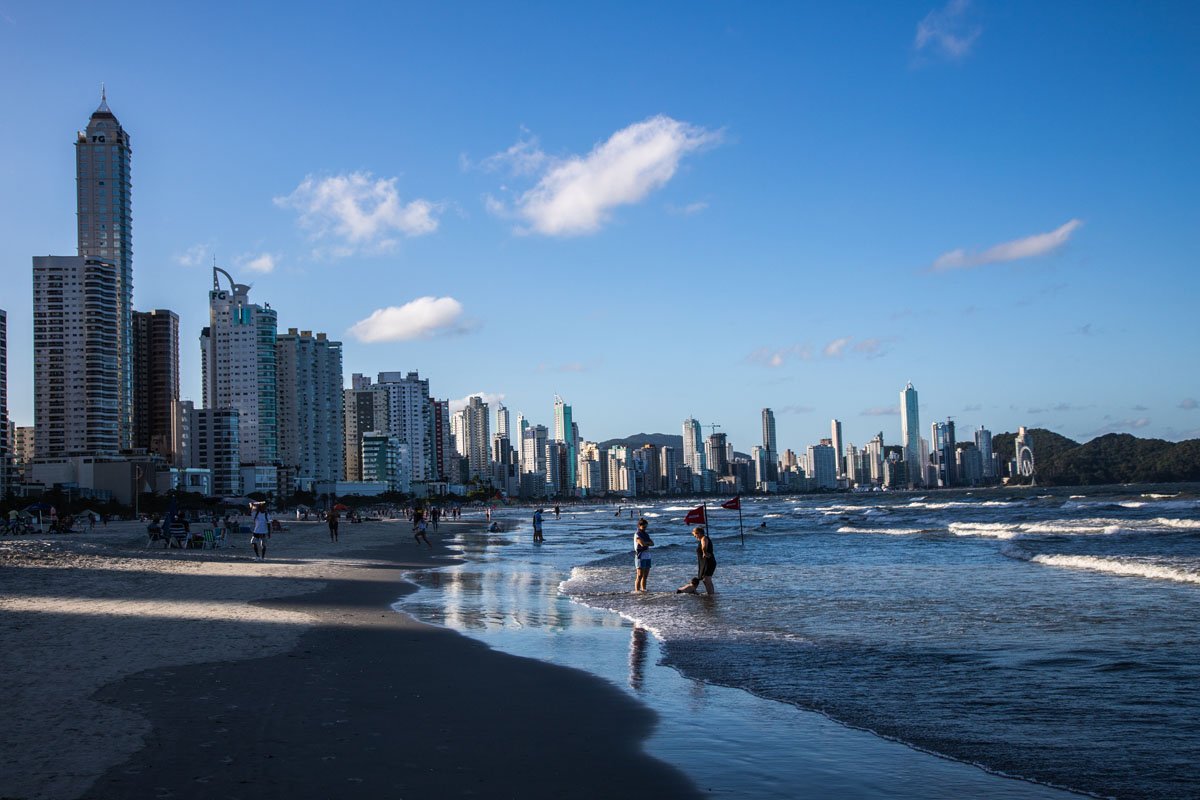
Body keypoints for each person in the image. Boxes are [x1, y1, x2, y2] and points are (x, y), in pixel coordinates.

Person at [683, 526, 716, 594]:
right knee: (705, 579)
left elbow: (704, 546)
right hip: (704, 562)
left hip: (708, 562)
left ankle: (711, 595)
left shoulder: (704, 538)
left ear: (699, 533)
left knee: (707, 579)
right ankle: (711, 594)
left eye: (695, 535)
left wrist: (704, 552)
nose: (695, 537)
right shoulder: (702, 539)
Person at [633, 518, 654, 592]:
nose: (645, 528)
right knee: (639, 575)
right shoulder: (637, 534)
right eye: (644, 527)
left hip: (647, 555)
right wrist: (647, 543)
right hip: (640, 555)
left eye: (646, 527)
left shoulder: (646, 534)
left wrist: (646, 543)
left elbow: (652, 543)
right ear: (639, 525)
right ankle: (637, 591)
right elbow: (642, 544)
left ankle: (643, 590)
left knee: (645, 576)